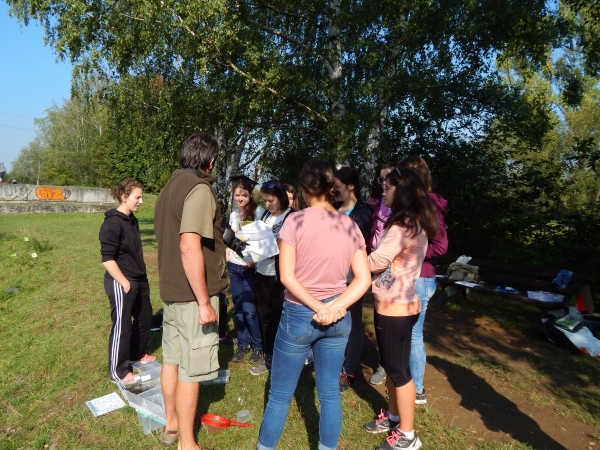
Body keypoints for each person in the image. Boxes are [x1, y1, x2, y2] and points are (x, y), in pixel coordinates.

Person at [257, 160, 371, 450]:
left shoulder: (294, 221)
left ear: (306, 188)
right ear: (331, 187)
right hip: (338, 317)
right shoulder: (349, 225)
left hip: (300, 315)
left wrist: (318, 307)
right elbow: (362, 279)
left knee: (280, 395)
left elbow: (286, 276)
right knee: (330, 393)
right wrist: (334, 306)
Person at [154, 133, 228, 450]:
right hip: (191, 296)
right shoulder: (198, 189)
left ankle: (171, 425)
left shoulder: (168, 188)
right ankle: (187, 443)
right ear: (209, 161)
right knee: (190, 368)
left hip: (171, 293)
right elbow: (188, 246)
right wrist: (204, 302)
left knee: (170, 360)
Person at [362, 167, 439, 450]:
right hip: (397, 305)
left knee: (398, 370)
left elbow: (377, 261)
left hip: (396, 308)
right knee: (395, 366)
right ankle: (394, 417)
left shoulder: (404, 224)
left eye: (389, 186)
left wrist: (346, 258)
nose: (384, 190)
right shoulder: (410, 221)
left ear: (402, 190)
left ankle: (407, 435)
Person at [399, 157, 448, 405]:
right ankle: (404, 382)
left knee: (414, 333)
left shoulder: (428, 205)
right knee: (405, 333)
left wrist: (410, 250)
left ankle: (416, 389)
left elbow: (440, 245)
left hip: (420, 276)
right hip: (409, 275)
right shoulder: (412, 204)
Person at [99, 179, 154, 384]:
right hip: (121, 281)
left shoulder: (132, 220)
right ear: (124, 197)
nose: (141, 201)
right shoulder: (112, 223)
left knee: (145, 319)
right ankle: (118, 371)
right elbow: (107, 259)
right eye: (137, 197)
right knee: (123, 326)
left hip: (139, 278)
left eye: (141, 197)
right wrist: (124, 282)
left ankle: (136, 354)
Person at [333, 167, 373, 392]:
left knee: (353, 324)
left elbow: (352, 240)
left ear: (351, 186)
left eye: (337, 186)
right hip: (332, 275)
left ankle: (349, 372)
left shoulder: (364, 211)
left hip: (352, 277)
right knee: (336, 321)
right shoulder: (335, 208)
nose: (333, 191)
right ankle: (335, 367)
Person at [250, 180, 293, 375]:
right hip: (261, 272)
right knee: (264, 316)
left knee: (281, 317)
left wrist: (274, 245)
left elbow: (293, 246)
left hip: (280, 276)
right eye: (265, 201)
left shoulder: (291, 217)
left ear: (281, 198)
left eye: (271, 200)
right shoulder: (266, 215)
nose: (267, 205)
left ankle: (285, 358)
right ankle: (268, 358)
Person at [228, 176, 265, 365]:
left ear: (250, 195)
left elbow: (265, 242)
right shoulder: (233, 214)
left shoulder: (259, 213)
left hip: (250, 268)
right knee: (239, 309)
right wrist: (228, 252)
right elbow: (231, 237)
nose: (240, 198)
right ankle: (243, 344)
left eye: (244, 195)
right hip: (234, 267)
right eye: (237, 195)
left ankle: (258, 347)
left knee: (250, 311)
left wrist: (255, 261)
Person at [368, 162, 397, 386]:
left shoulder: (406, 217)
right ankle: (383, 363)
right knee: (380, 320)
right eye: (381, 180)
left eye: (387, 179)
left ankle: (392, 368)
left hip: (395, 275)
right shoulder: (376, 204)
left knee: (395, 328)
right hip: (377, 271)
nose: (383, 184)